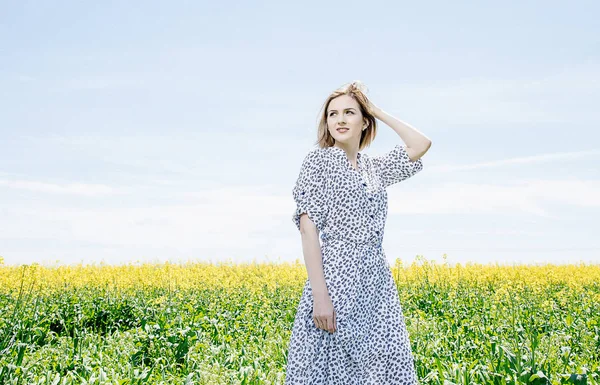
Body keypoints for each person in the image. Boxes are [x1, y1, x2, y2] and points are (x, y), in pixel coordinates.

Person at [285, 80, 432, 384]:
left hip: (376, 285)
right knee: (333, 368)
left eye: (349, 112)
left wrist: (374, 108)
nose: (339, 119)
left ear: (364, 122)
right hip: (337, 278)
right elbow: (308, 229)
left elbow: (420, 144)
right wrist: (320, 297)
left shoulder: (373, 168)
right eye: (333, 114)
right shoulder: (319, 161)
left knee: (385, 367)